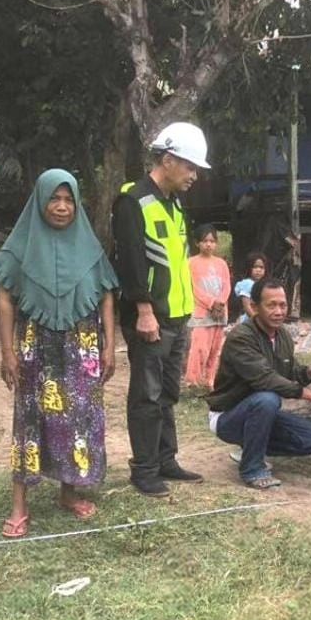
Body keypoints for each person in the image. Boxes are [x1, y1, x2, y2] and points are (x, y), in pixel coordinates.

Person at [0, 169, 119, 538]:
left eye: (69, 200)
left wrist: (109, 346)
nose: (62, 207)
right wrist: (6, 351)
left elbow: (106, 294)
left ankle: (68, 492)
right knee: (29, 418)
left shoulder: (90, 247)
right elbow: (5, 297)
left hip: (82, 347)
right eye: (54, 199)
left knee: (77, 419)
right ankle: (19, 505)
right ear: (40, 201)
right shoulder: (20, 245)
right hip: (35, 347)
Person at [112, 122, 208, 496]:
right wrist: (144, 311)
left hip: (177, 316)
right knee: (146, 395)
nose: (194, 175)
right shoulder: (134, 201)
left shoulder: (173, 203)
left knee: (168, 392)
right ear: (168, 160)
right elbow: (131, 263)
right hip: (151, 318)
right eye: (189, 166)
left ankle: (166, 459)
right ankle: (145, 469)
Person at [206, 279, 311, 489]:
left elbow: (290, 372)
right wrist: (309, 395)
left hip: (264, 413)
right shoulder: (241, 337)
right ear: (254, 307)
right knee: (267, 398)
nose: (279, 311)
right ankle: (252, 469)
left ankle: (251, 448)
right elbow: (266, 379)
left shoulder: (282, 336)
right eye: (271, 305)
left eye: (282, 305)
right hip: (229, 416)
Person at [185, 225, 230, 390]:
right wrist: (211, 303)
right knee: (199, 347)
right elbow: (193, 288)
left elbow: (226, 286)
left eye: (212, 241)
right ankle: (193, 381)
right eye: (205, 241)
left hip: (220, 312)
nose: (209, 245)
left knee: (215, 348)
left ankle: (210, 380)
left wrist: (221, 303)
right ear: (197, 243)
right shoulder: (190, 263)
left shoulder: (221, 264)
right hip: (201, 312)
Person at [234, 251, 267, 323]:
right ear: (249, 268)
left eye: (261, 267)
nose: (258, 270)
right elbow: (247, 306)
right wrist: (258, 321)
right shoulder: (247, 284)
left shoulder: (262, 284)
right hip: (249, 320)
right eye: (255, 267)